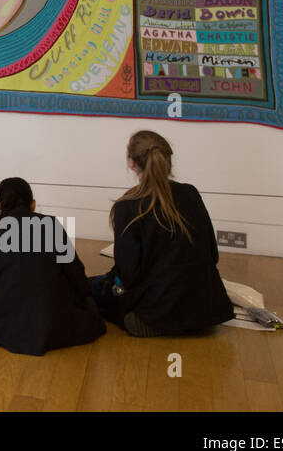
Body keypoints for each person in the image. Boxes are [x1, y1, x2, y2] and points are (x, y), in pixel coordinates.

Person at [92, 130, 234, 337]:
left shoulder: (128, 206)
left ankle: (155, 320)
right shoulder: (190, 193)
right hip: (208, 309)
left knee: (93, 288)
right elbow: (213, 254)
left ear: (131, 162)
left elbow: (129, 275)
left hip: (156, 312)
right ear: (168, 160)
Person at [0, 177, 105, 355]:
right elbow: (77, 277)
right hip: (52, 322)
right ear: (32, 204)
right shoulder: (51, 226)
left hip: (3, 323)